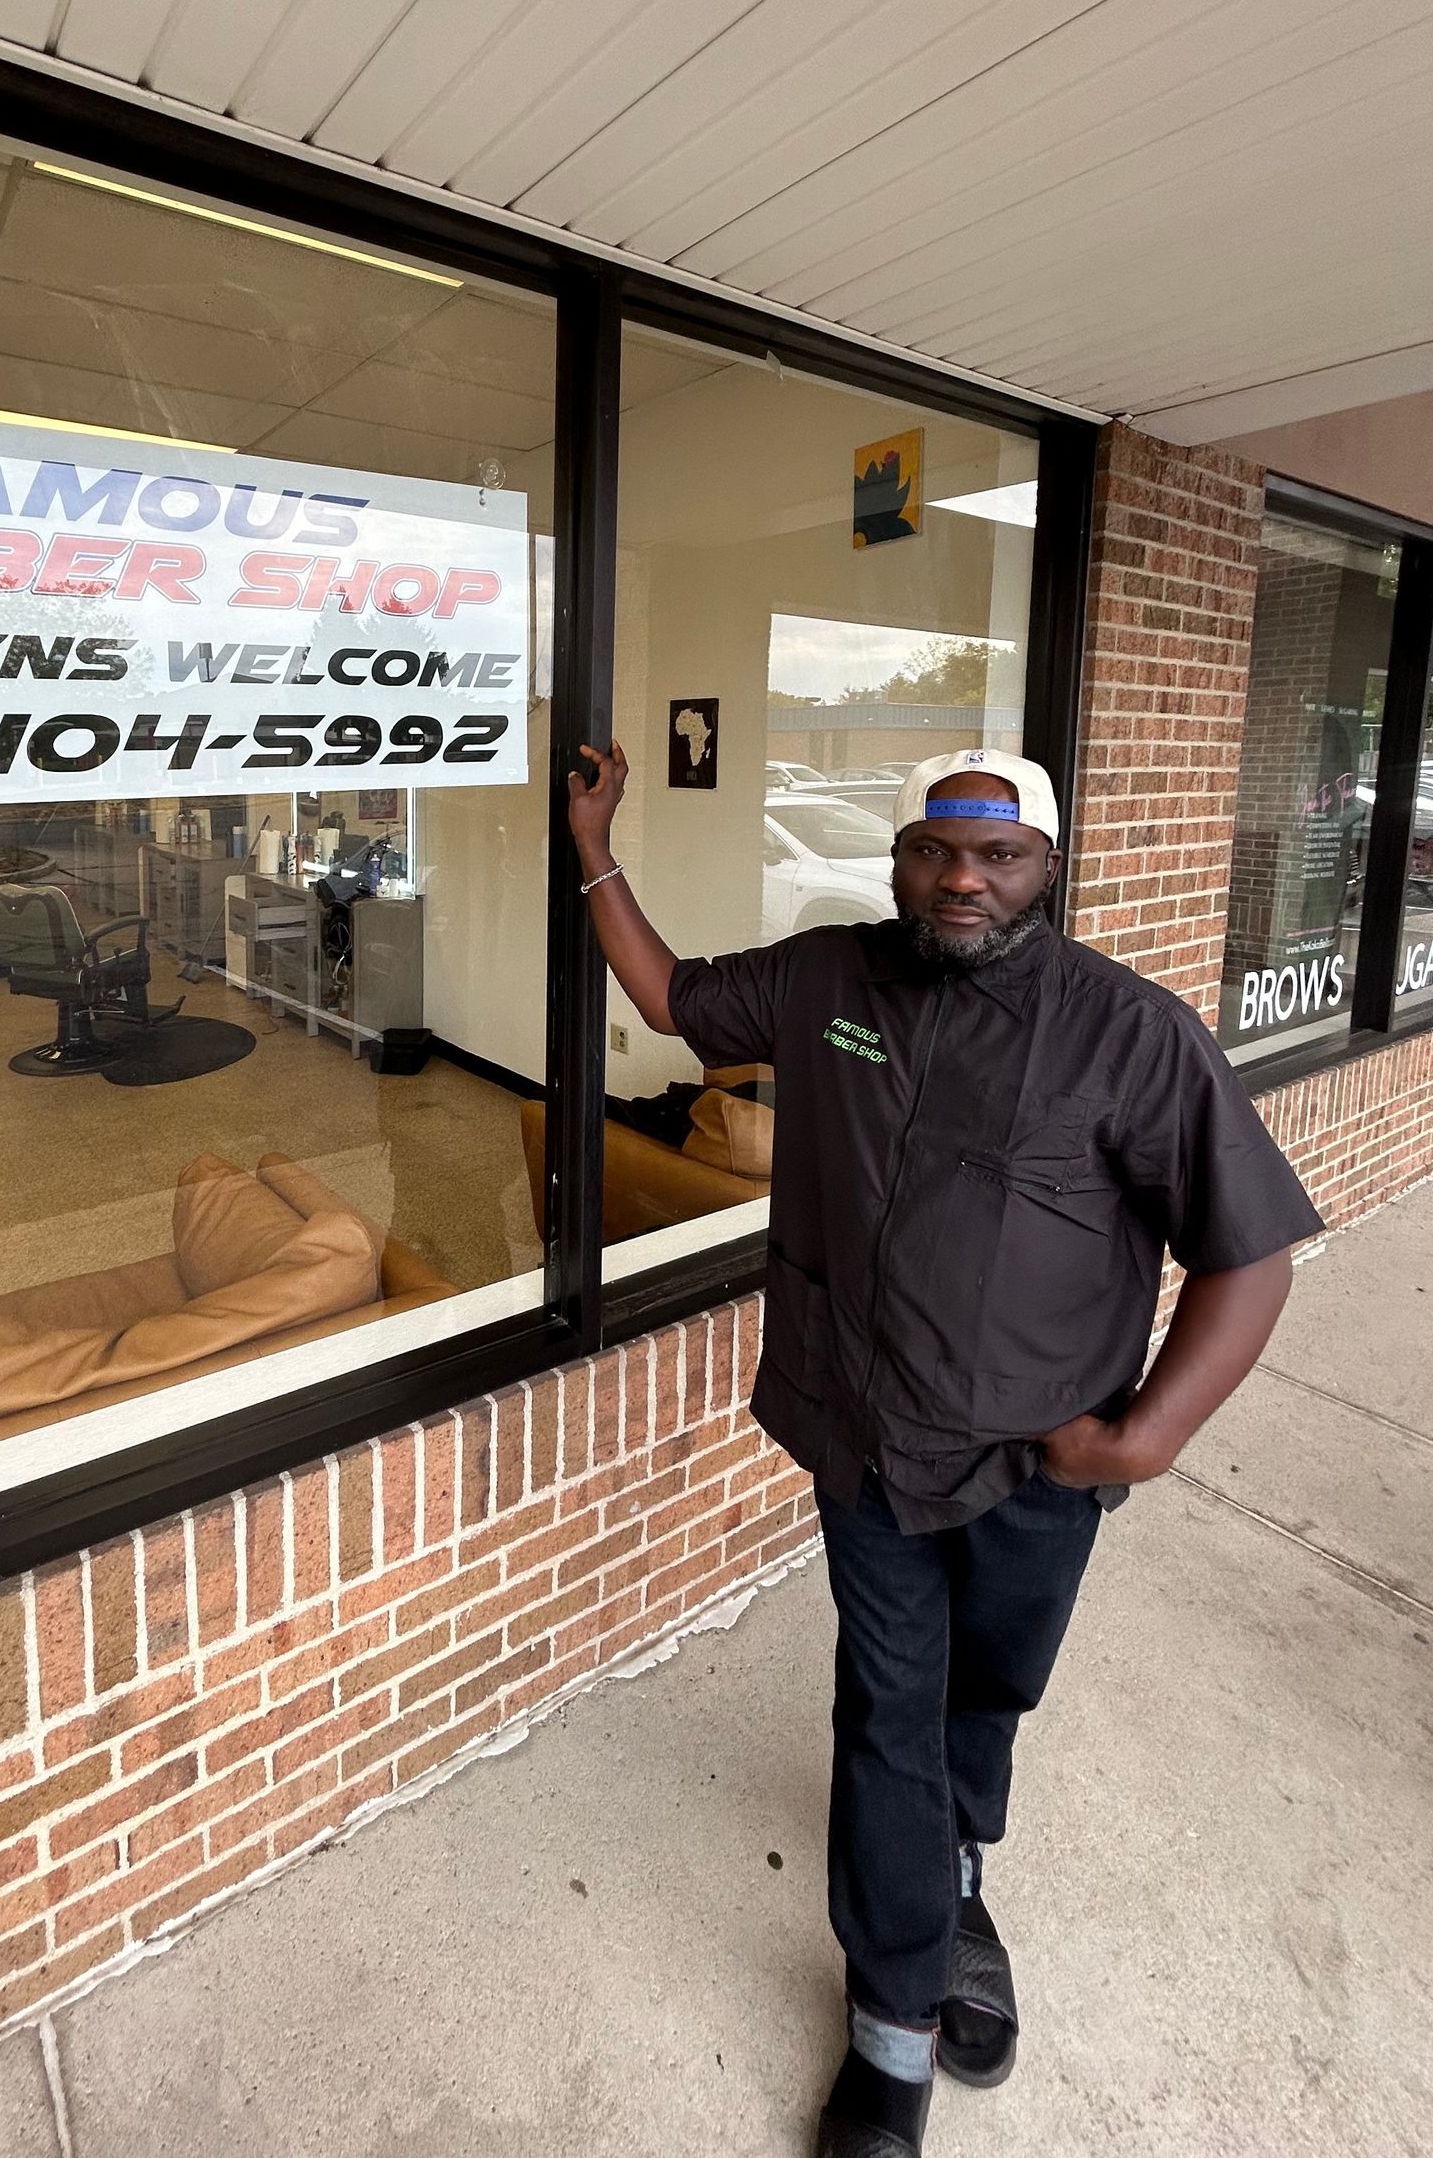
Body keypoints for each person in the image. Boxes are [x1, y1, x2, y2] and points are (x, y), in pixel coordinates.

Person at [566, 740, 1321, 2158]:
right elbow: (671, 1002)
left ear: (1047, 869)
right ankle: (894, 2022)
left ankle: (959, 1874)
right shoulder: (830, 979)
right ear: (901, 856)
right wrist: (594, 846)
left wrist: (1143, 1443)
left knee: (993, 1690)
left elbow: (1251, 1252)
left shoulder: (1129, 1032)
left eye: (998, 856)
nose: (961, 880)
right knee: (889, 1707)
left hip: (1048, 1464)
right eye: (934, 851)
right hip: (864, 1436)